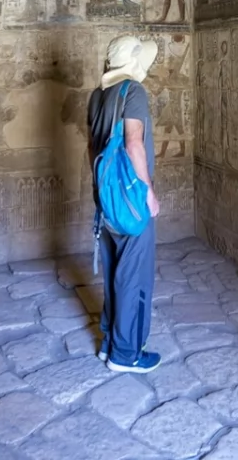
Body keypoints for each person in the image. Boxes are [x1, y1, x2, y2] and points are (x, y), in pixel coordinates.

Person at [87, 36, 162, 373]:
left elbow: (93, 149)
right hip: (130, 199)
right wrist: (147, 193)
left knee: (114, 271)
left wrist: (102, 191)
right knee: (133, 276)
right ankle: (126, 353)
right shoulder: (133, 91)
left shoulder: (97, 95)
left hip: (106, 197)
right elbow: (134, 144)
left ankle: (109, 342)